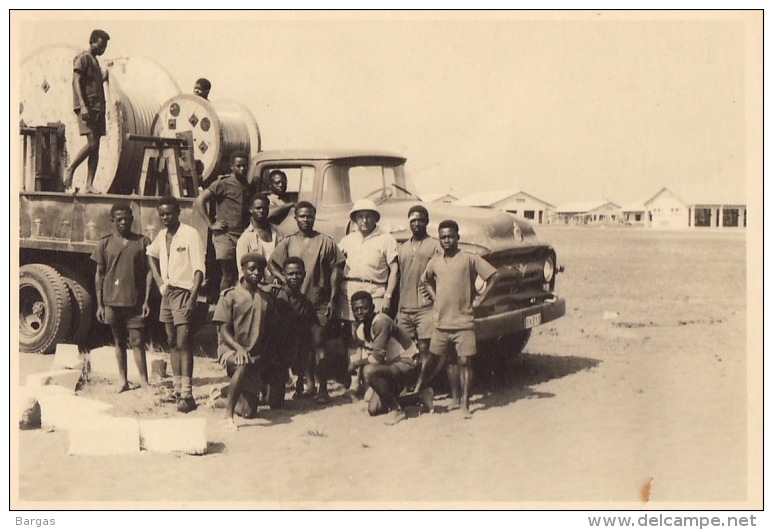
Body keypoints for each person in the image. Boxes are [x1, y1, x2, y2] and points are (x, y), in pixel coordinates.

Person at [417, 220, 497, 419]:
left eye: (451, 236)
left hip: (463, 322)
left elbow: (493, 275)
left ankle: (465, 404)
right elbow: (425, 280)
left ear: (458, 237)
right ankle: (453, 399)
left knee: (465, 361)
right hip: (442, 323)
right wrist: (436, 298)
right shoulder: (435, 261)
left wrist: (480, 299)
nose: (447, 240)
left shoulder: (469, 258)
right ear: (439, 238)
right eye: (443, 237)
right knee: (448, 360)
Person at [268, 201, 346, 400]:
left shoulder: (325, 242)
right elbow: (271, 263)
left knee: (319, 344)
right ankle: (306, 385)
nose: (305, 220)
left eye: (309, 216)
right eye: (301, 216)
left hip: (318, 301)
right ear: (295, 218)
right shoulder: (288, 242)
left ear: (314, 217)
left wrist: (332, 299)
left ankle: (323, 389)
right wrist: (284, 278)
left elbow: (337, 270)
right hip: (296, 303)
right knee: (301, 346)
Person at [147, 196, 205, 413]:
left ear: (178, 212)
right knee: (171, 341)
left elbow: (199, 268)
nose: (165, 217)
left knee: (183, 341)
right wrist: (160, 282)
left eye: (169, 213)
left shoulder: (190, 234)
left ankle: (188, 393)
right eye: (161, 214)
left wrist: (193, 297)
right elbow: (150, 255)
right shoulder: (161, 236)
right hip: (168, 293)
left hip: (184, 292)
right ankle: (177, 389)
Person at [337, 199, 399, 399]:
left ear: (375, 218)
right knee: (354, 336)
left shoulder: (386, 238)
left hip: (375, 290)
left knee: (375, 335)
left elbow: (394, 269)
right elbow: (337, 265)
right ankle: (355, 382)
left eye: (368, 216)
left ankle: (373, 381)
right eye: (360, 216)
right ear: (354, 219)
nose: (364, 220)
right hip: (350, 288)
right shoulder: (347, 240)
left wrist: (388, 295)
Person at [91, 203, 152, 392]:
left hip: (134, 302)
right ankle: (123, 381)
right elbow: (99, 274)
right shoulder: (104, 243)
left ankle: (144, 382)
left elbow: (151, 272)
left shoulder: (143, 242)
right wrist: (100, 305)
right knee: (118, 342)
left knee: (137, 342)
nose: (124, 222)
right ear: (113, 221)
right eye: (119, 219)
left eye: (127, 218)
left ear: (132, 219)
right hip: (112, 302)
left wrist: (147, 300)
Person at [349, 291, 434, 425]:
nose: (360, 312)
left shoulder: (380, 321)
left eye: (364, 308)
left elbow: (376, 359)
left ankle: (397, 410)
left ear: (372, 307)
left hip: (408, 362)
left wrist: (355, 364)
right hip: (391, 366)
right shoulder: (361, 329)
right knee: (374, 409)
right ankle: (420, 396)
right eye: (356, 309)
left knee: (368, 371)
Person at [212, 252, 275, 431]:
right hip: (230, 350)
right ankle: (228, 417)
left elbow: (267, 331)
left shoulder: (266, 299)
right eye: (252, 268)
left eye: (260, 269)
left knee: (249, 411)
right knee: (242, 362)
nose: (256, 273)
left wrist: (260, 355)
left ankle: (221, 395)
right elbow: (223, 330)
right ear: (243, 270)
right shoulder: (229, 296)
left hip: (252, 355)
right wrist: (239, 349)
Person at [396, 205, 442, 387]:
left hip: (426, 307)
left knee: (425, 348)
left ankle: (421, 385)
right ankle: (406, 385)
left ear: (427, 222)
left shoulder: (436, 245)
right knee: (405, 350)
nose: (417, 223)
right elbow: (398, 277)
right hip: (405, 307)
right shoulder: (402, 248)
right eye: (413, 220)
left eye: (421, 220)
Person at [194, 151, 252, 292]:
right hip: (225, 236)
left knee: (241, 274)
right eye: (238, 166)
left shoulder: (246, 184)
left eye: (244, 166)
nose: (242, 169)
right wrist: (211, 224)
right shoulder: (223, 183)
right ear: (231, 166)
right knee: (228, 274)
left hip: (241, 235)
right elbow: (199, 200)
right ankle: (223, 305)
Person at [270, 257, 326, 402]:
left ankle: (304, 383)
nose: (295, 277)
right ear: (283, 274)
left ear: (304, 274)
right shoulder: (273, 294)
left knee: (276, 403)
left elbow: (314, 335)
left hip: (284, 358)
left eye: (298, 273)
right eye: (290, 273)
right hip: (268, 354)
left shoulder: (306, 304)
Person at [63, 29, 110, 194]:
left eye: (105, 46)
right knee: (92, 144)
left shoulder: (95, 62)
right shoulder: (83, 58)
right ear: (92, 42)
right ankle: (71, 168)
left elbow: (93, 84)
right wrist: (83, 105)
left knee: (96, 147)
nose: (103, 49)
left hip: (97, 109)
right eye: (101, 45)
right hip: (88, 108)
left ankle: (89, 184)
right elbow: (76, 81)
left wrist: (104, 76)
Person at [235, 193, 282, 283]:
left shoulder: (278, 233)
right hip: (257, 286)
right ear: (250, 209)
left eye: (265, 208)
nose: (261, 211)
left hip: (277, 285)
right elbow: (242, 271)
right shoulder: (245, 238)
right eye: (258, 208)